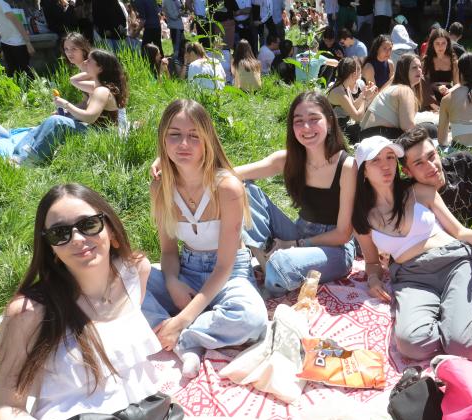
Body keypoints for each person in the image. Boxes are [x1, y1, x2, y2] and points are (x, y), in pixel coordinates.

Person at [0, 182, 278, 420]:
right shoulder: (30, 311)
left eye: (88, 225)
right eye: (61, 233)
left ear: (109, 226)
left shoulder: (134, 272)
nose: (78, 239)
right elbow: (7, 409)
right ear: (50, 247)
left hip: (145, 412)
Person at [142, 99, 267, 378]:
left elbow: (225, 265)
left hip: (230, 273)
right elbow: (168, 252)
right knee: (124, 280)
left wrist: (184, 318)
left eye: (194, 136)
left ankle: (182, 338)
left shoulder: (227, 187)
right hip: (186, 269)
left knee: (251, 319)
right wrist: (172, 281)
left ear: (207, 140)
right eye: (174, 135)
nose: (183, 144)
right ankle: (177, 330)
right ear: (163, 138)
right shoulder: (160, 186)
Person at [351, 136, 472, 360]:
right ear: (363, 170)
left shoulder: (419, 191)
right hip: (411, 277)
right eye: (376, 160)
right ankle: (460, 322)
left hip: (454, 262)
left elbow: (459, 232)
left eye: (390, 157)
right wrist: (373, 279)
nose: (386, 165)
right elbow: (373, 262)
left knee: (463, 346)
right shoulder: (362, 217)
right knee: (411, 345)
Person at [229, 91, 358, 297]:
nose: (306, 128)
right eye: (299, 121)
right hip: (299, 231)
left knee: (284, 263)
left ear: (330, 123)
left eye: (314, 119)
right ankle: (267, 264)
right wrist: (172, 166)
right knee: (242, 189)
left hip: (335, 249)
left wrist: (295, 245)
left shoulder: (346, 166)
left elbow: (343, 234)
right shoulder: (288, 160)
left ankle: (273, 272)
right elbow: (231, 174)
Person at [6, 49, 128, 164]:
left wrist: (66, 105)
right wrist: (68, 113)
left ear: (100, 68)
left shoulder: (101, 90)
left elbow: (90, 118)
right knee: (39, 127)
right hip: (95, 130)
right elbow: (74, 80)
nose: (85, 62)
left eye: (90, 61)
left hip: (103, 135)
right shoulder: (96, 86)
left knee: (57, 121)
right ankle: (17, 157)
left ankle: (33, 159)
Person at [397, 125, 472, 234]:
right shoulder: (412, 198)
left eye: (431, 156)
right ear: (407, 172)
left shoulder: (463, 162)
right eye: (419, 163)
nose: (431, 166)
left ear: (437, 152)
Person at [360, 53, 426, 140]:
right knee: (430, 128)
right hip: (381, 136)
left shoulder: (394, 88)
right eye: (414, 67)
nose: (419, 70)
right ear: (404, 71)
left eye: (420, 67)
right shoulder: (404, 90)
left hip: (366, 136)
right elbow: (408, 127)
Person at [0, 0, 35, 77]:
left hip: (18, 42)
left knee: (25, 71)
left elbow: (17, 22)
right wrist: (4, 47)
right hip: (5, 42)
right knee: (11, 72)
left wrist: (28, 43)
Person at [328, 57, 377, 143]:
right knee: (367, 129)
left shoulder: (343, 87)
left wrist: (363, 94)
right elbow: (357, 117)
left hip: (341, 127)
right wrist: (365, 98)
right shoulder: (339, 92)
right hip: (336, 132)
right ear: (354, 74)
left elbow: (353, 106)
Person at [422, 28, 459, 104]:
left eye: (443, 43)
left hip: (448, 95)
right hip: (431, 97)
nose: (440, 46)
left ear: (448, 44)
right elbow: (425, 84)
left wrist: (449, 90)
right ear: (432, 44)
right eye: (437, 43)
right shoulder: (427, 60)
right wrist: (438, 88)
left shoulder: (454, 61)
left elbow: (457, 84)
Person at [162, 0, 185, 70]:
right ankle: (175, 68)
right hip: (175, 26)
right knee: (177, 48)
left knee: (180, 46)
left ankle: (179, 65)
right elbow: (173, 15)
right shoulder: (167, 1)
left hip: (178, 26)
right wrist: (181, 12)